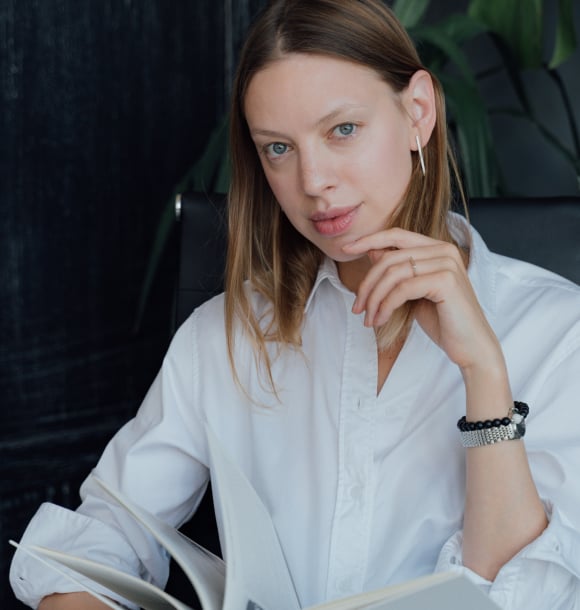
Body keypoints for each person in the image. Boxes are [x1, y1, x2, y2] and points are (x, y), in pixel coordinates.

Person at [10, 1, 580, 608]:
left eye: (343, 130)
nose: (313, 182)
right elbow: (94, 548)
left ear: (417, 111)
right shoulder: (223, 338)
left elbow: (530, 598)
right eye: (278, 148)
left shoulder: (557, 331)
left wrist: (483, 374)